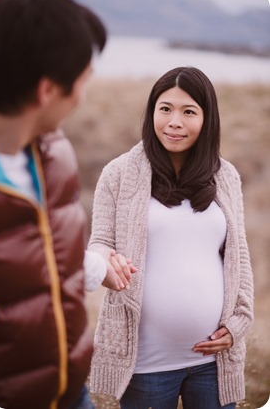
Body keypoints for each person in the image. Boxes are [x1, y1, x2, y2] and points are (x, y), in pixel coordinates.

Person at [87, 66, 254, 409]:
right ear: (151, 113)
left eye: (188, 111)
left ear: (208, 119)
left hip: (213, 363)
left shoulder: (226, 177)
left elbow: (239, 258)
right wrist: (106, 262)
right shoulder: (118, 175)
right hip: (147, 365)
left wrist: (239, 322)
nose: (174, 121)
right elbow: (100, 243)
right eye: (165, 109)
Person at [0, 0, 112, 408]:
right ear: (47, 90)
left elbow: (41, 242)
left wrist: (98, 268)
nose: (82, 94)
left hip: (69, 387)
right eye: (82, 79)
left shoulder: (53, 153)